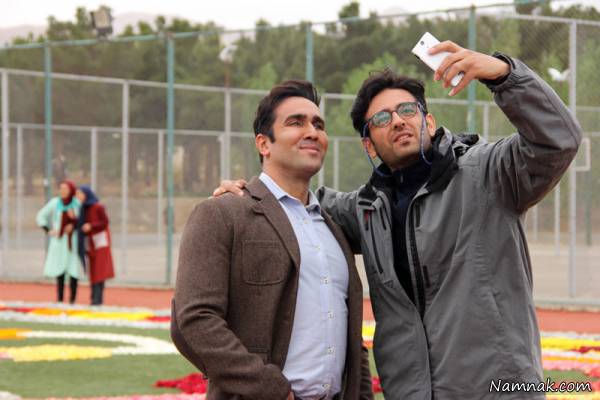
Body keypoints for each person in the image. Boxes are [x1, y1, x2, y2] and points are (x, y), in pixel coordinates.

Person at [214, 42, 582, 398]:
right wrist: (249, 192)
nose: (398, 121)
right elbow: (297, 204)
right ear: (369, 145)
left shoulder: (488, 173)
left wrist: (503, 74)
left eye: (407, 110)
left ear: (429, 122)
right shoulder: (364, 210)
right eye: (381, 118)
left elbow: (559, 140)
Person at [171, 80, 373, 400]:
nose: (312, 131)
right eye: (296, 122)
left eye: (318, 124)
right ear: (264, 144)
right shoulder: (222, 213)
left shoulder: (333, 228)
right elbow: (194, 321)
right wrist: (271, 390)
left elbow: (350, 337)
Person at [36, 180, 81, 304]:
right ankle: (60, 299)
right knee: (59, 269)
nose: (63, 191)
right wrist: (48, 230)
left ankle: (72, 300)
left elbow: (82, 220)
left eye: (65, 189)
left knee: (73, 270)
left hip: (72, 242)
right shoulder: (55, 203)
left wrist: (74, 224)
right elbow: (40, 216)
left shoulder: (77, 204)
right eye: (61, 188)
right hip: (59, 242)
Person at [75, 185, 115, 306]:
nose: (78, 196)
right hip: (90, 242)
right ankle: (93, 298)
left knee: (99, 270)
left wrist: (91, 226)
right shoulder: (83, 208)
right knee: (92, 270)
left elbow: (105, 222)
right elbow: (80, 223)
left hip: (100, 242)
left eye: (80, 194)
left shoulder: (98, 207)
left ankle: (98, 299)